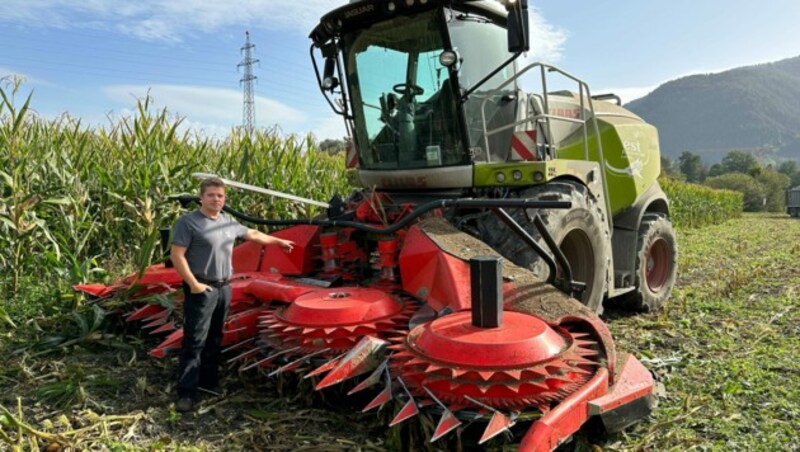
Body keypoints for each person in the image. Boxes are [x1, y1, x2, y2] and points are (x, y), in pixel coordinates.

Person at [170, 177, 294, 413]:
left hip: (224, 288)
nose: (216, 199)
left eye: (220, 196)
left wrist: (277, 241)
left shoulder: (227, 222)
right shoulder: (189, 223)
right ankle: (186, 392)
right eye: (211, 195)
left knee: (215, 337)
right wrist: (194, 284)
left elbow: (254, 234)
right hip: (202, 288)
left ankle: (208, 383)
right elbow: (177, 255)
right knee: (195, 341)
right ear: (201, 197)